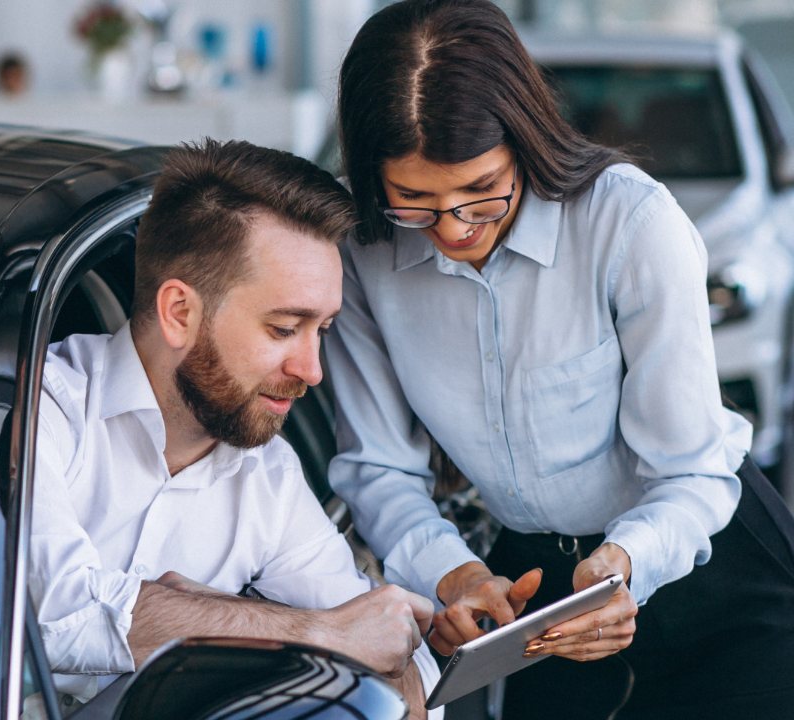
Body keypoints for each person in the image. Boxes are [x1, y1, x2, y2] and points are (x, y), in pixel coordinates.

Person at [0, 139, 443, 720]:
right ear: (180, 312)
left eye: (324, 330)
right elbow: (55, 614)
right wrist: (312, 632)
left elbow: (380, 636)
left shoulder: (267, 477)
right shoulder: (35, 409)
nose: (311, 369)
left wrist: (402, 672)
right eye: (285, 329)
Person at [327, 1, 794, 718]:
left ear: (524, 139)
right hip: (537, 593)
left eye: (482, 195)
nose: (453, 230)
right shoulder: (365, 255)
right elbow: (378, 468)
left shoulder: (631, 223)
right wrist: (452, 572)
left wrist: (626, 562)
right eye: (415, 202)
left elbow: (694, 467)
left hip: (706, 567)